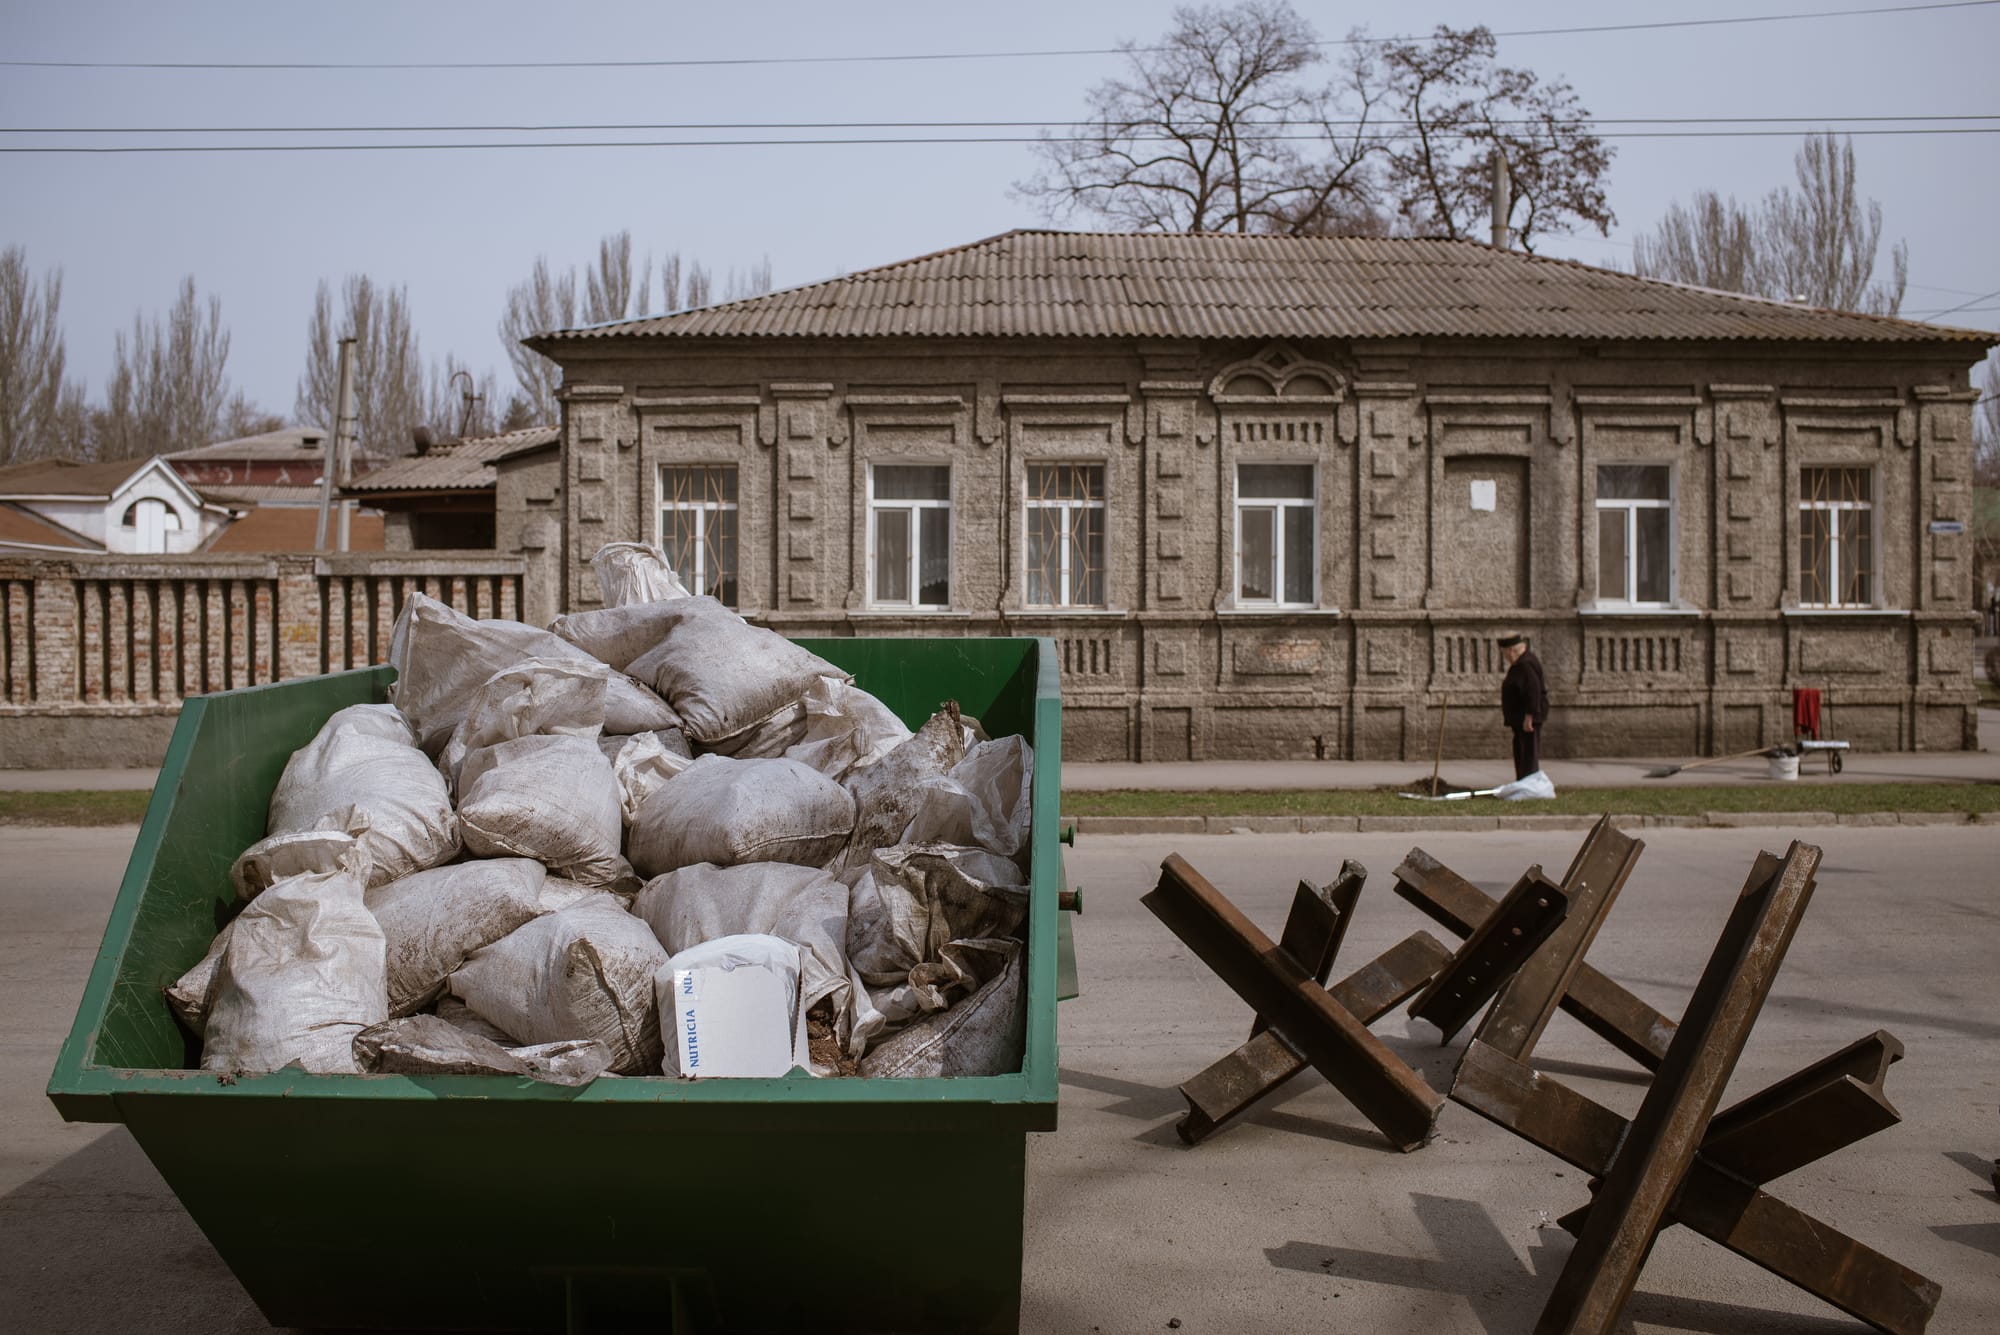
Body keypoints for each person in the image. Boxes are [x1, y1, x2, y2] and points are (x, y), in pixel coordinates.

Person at [1498, 632, 1549, 781]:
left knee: (1528, 754)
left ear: (1511, 650)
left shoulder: (1525, 665)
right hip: (1521, 718)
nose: (1505, 657)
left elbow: (1533, 691)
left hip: (1528, 718)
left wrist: (1529, 716)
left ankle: (1529, 785)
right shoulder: (1522, 663)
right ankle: (1523, 783)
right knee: (1522, 751)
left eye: (1504, 653)